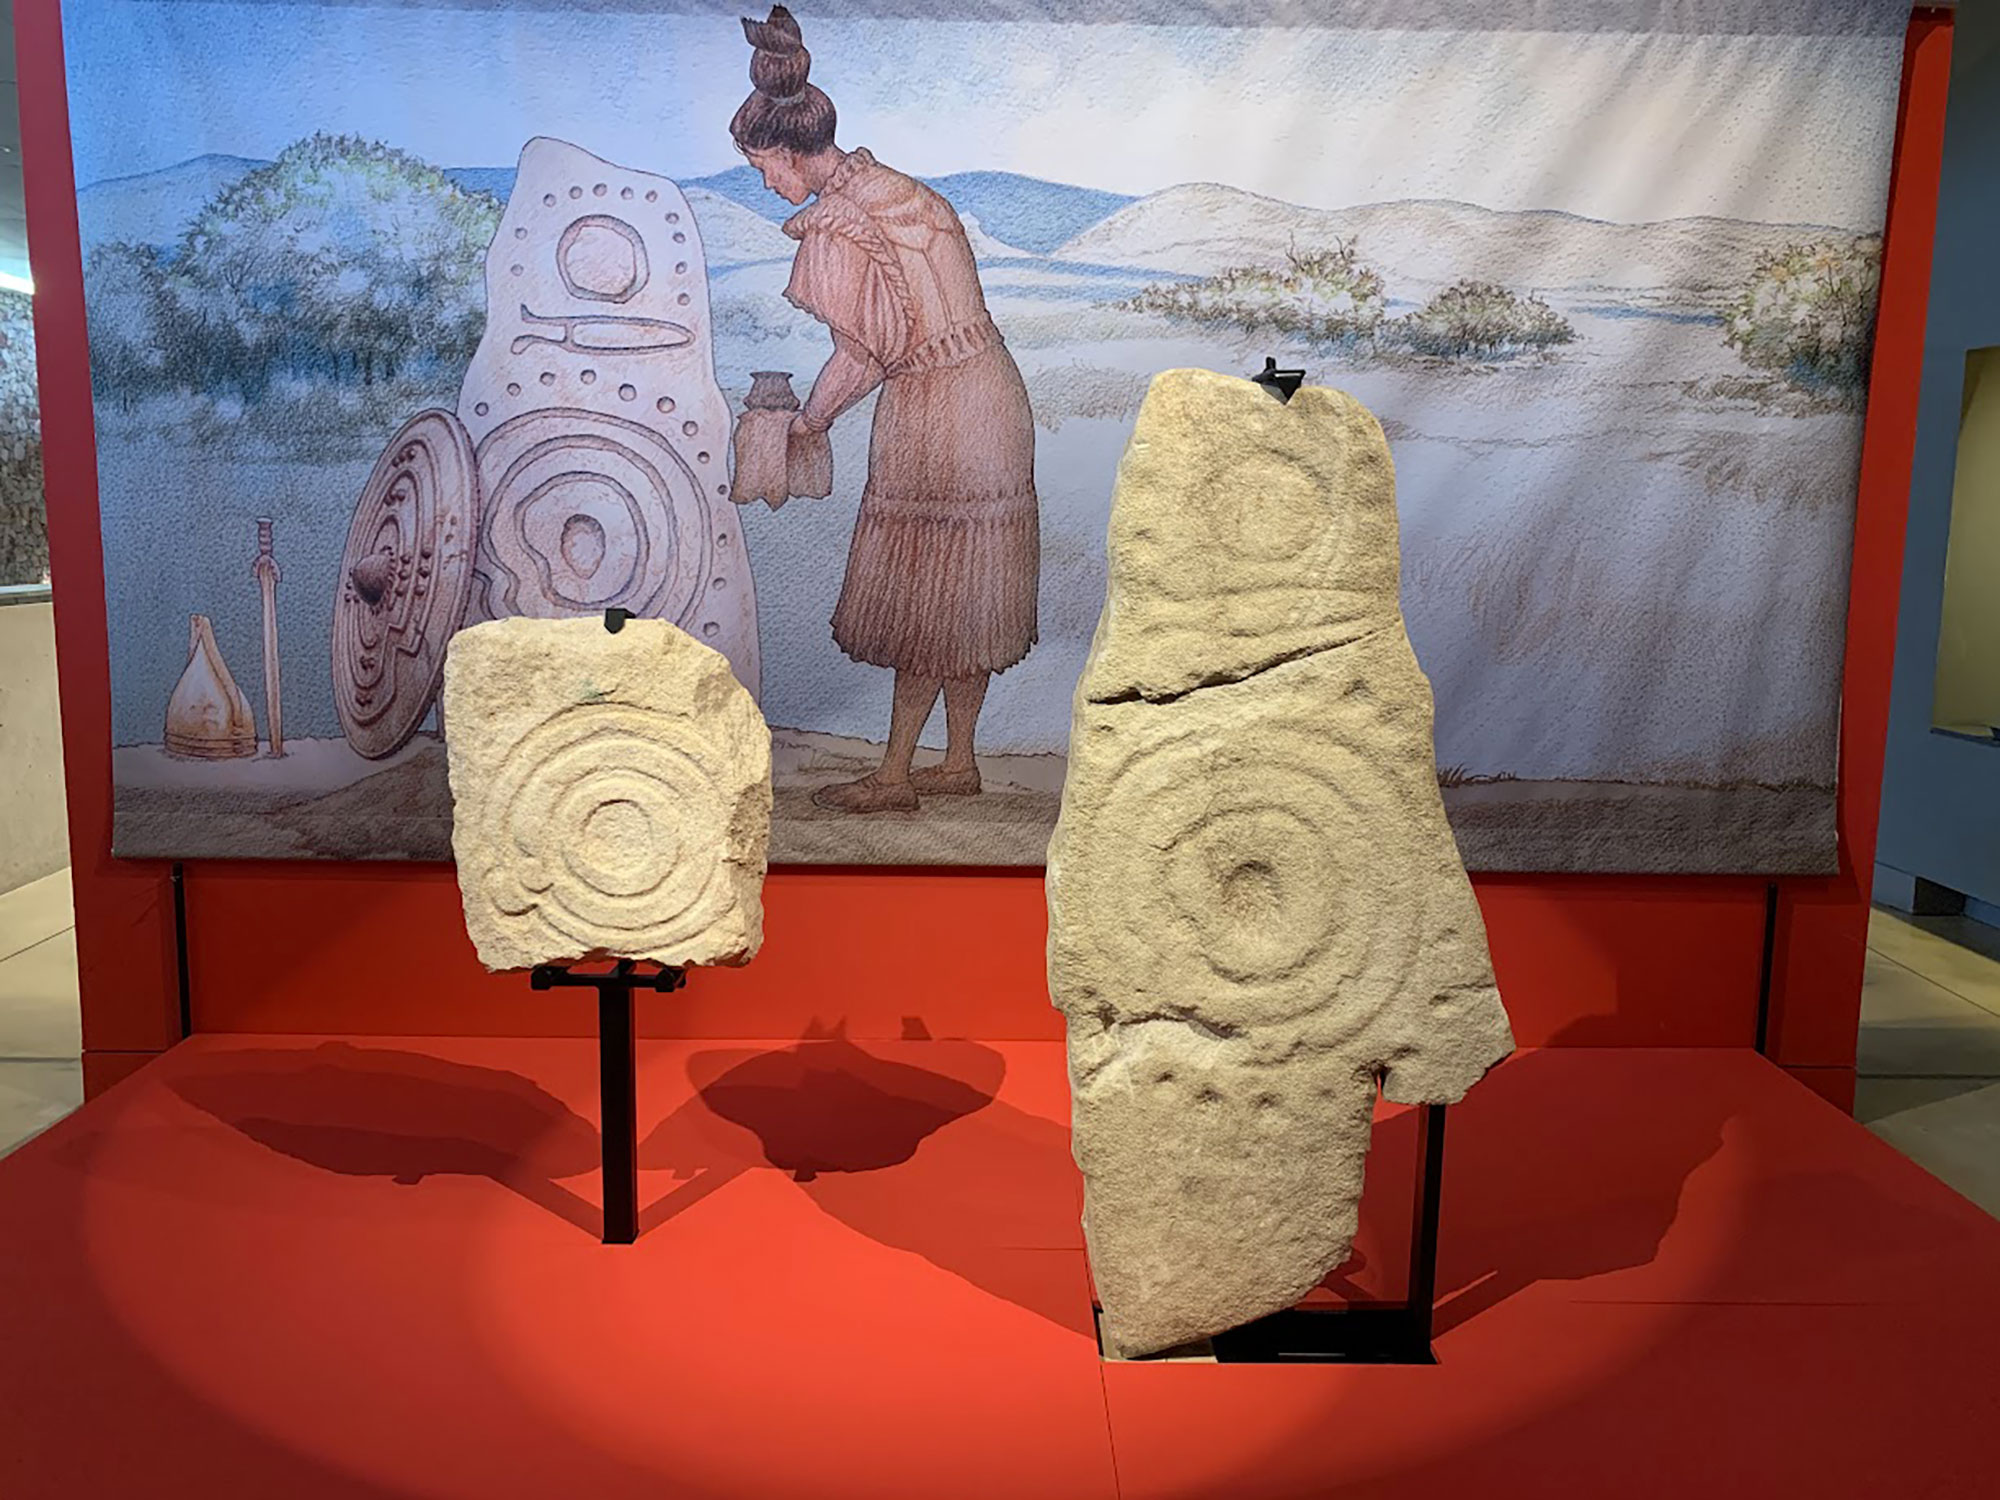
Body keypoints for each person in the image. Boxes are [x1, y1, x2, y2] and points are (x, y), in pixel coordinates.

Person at [731, 5, 1040, 814]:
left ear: (790, 152)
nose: (767, 185)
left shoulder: (841, 226)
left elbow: (861, 356)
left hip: (937, 408)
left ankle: (897, 774)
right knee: (971, 583)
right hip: (992, 392)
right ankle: (959, 760)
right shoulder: (900, 190)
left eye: (764, 167)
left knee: (928, 593)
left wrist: (807, 425)